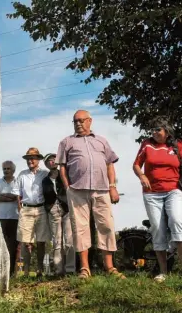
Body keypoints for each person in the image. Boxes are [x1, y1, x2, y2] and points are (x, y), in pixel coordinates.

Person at [56, 110, 125, 280]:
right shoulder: (66, 142)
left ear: (90, 121)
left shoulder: (101, 140)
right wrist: (67, 187)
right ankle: (85, 269)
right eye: (75, 121)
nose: (78, 124)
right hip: (77, 191)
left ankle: (109, 267)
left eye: (81, 121)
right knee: (80, 228)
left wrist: (113, 186)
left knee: (107, 225)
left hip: (102, 190)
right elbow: (62, 167)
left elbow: (109, 164)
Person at [133, 116, 182, 283]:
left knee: (177, 221)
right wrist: (142, 176)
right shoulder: (146, 144)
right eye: (152, 130)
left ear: (166, 131)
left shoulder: (176, 146)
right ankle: (163, 272)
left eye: (157, 129)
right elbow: (136, 164)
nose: (154, 132)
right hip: (152, 193)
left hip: (173, 190)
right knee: (157, 228)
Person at [13, 147, 50, 277]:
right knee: (25, 241)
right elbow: (17, 193)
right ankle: (26, 271)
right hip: (26, 208)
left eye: (33, 158)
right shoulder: (22, 174)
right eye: (28, 158)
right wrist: (20, 208)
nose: (30, 161)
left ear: (38, 160)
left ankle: (39, 269)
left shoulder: (45, 174)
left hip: (41, 209)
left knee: (41, 241)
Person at [42, 153, 75, 276]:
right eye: (49, 161)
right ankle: (58, 269)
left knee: (69, 240)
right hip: (53, 210)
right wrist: (49, 208)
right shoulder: (45, 180)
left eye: (53, 159)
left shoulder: (64, 175)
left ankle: (71, 269)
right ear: (46, 164)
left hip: (66, 208)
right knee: (57, 240)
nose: (52, 162)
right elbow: (45, 196)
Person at [0, 160, 19, 276]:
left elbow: (18, 196)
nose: (6, 171)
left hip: (15, 217)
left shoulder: (18, 182)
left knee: (13, 245)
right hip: (0, 217)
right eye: (4, 169)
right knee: (0, 245)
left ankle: (11, 272)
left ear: (13, 170)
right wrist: (10, 197)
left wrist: (2, 195)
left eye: (8, 169)